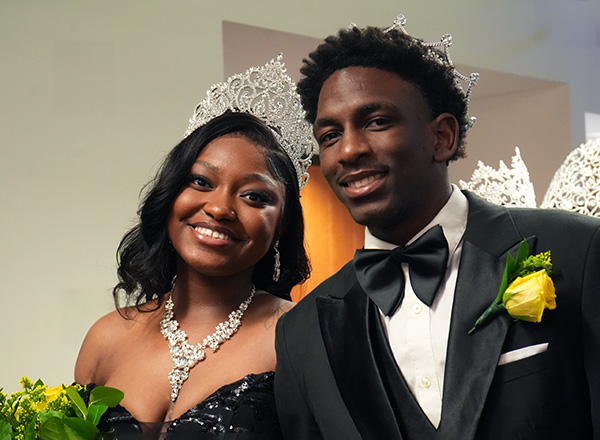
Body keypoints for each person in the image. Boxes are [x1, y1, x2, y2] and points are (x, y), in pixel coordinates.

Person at [274, 15, 600, 440]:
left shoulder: (577, 250)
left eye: (376, 122)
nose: (348, 150)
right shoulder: (303, 331)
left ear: (442, 138)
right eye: (330, 135)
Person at [75, 56, 315, 439]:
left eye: (254, 196)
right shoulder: (105, 338)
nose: (220, 208)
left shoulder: (300, 338)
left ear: (282, 222)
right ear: (171, 194)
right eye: (201, 182)